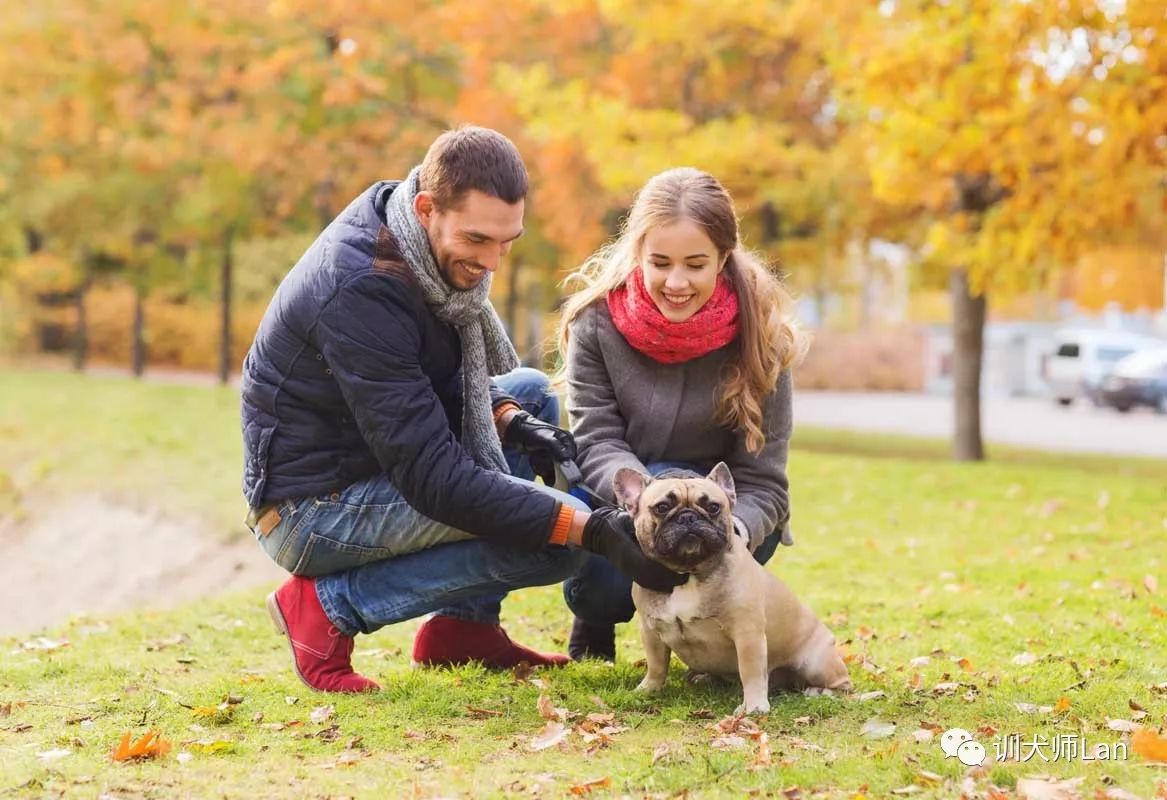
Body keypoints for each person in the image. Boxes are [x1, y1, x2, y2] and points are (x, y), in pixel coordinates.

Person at [240, 126, 683, 693]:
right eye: (478, 239)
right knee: (555, 548)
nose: (492, 260)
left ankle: (462, 630)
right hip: (308, 508)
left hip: (370, 461)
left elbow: (441, 382)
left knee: (527, 392)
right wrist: (590, 528)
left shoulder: (414, 240)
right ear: (428, 208)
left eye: (507, 241)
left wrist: (508, 419)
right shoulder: (362, 289)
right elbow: (434, 480)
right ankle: (327, 608)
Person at [556, 167, 806, 661]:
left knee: (722, 571)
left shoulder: (764, 339)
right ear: (637, 255)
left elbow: (765, 479)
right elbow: (596, 441)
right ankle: (596, 615)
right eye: (660, 262)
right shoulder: (595, 325)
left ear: (723, 258)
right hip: (628, 499)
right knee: (604, 584)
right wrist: (650, 501)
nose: (676, 281)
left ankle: (714, 640)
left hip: (724, 512)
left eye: (695, 264)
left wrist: (732, 528)